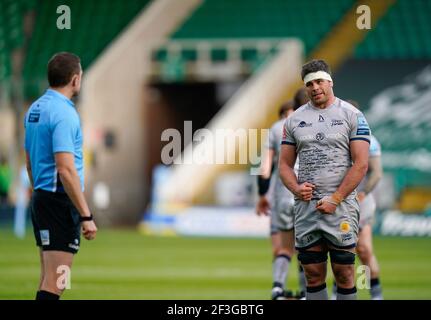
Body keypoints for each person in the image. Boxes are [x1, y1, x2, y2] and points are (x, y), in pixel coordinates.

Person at [279, 59, 370, 300]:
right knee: (312, 274)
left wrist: (336, 198)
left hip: (340, 208)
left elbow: (361, 164)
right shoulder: (294, 120)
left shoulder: (353, 115)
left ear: (330, 81)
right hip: (306, 208)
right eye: (309, 83)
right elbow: (284, 165)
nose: (315, 87)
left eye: (319, 81)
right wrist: (297, 189)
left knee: (344, 274)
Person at [24, 52, 97, 300]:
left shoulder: (35, 108)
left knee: (48, 278)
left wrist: (39, 195)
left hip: (42, 198)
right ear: (75, 79)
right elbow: (65, 169)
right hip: (59, 201)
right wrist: (86, 215)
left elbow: (29, 164)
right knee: (58, 281)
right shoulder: (64, 114)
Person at [256, 89, 309, 300]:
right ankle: (307, 292)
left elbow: (264, 168)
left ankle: (277, 288)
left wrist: (262, 195)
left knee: (284, 247)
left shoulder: (277, 128)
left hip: (283, 194)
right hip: (307, 193)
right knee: (308, 247)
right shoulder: (318, 125)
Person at [331, 100, 384, 300]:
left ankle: (375, 295)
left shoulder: (369, 139)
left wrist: (363, 193)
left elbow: (376, 173)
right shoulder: (334, 138)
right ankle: (339, 293)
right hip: (339, 201)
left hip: (360, 201)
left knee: (362, 249)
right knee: (340, 249)